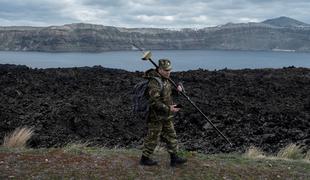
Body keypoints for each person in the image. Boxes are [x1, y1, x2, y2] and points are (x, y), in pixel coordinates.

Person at [140, 59, 187, 167]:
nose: (168, 72)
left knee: (171, 136)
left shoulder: (166, 80)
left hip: (166, 115)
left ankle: (174, 159)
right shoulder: (154, 82)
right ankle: (144, 159)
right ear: (160, 69)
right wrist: (169, 108)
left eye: (169, 70)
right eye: (166, 70)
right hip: (156, 117)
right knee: (153, 138)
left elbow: (170, 93)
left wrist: (179, 88)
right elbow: (153, 102)